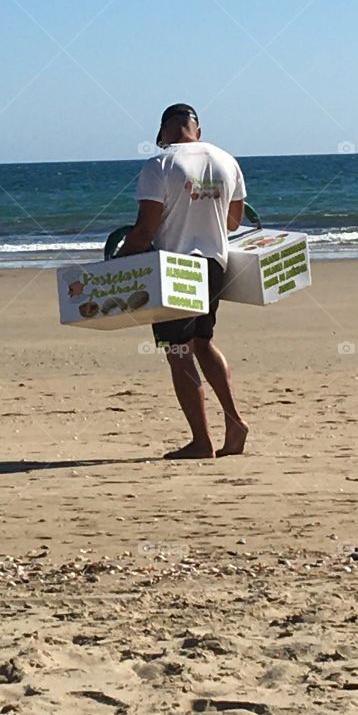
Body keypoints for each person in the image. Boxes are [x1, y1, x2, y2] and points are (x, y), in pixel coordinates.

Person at [121, 103, 248, 460]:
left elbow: (146, 229)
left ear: (163, 133)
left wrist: (117, 264)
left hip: (174, 268)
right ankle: (234, 423)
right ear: (198, 129)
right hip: (214, 263)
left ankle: (201, 441)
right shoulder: (226, 160)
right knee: (203, 343)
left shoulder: (159, 165)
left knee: (178, 353)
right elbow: (233, 222)